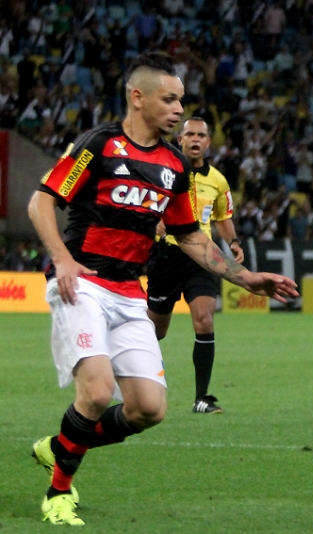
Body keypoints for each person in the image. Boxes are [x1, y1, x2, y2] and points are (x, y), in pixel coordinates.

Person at [27, 52, 298, 526]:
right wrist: (63, 259)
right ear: (138, 97)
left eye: (181, 100)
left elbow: (191, 236)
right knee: (95, 392)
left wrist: (245, 276)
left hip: (130, 289)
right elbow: (41, 201)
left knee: (148, 410)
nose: (178, 109)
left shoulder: (174, 165)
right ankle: (59, 493)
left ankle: (60, 446)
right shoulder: (97, 146)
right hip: (84, 282)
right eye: (169, 99)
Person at [146, 116, 244, 415]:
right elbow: (144, 204)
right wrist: (155, 221)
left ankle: (202, 397)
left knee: (205, 318)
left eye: (201, 135)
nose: (195, 139)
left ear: (208, 141)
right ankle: (134, 384)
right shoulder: (162, 172)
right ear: (180, 139)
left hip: (201, 257)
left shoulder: (217, 180)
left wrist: (234, 243)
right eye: (190, 134)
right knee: (154, 331)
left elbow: (222, 218)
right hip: (166, 258)